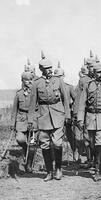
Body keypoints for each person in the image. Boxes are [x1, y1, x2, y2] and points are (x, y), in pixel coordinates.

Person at [28, 51, 71, 181]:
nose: (49, 70)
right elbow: (32, 103)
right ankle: (49, 172)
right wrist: (31, 120)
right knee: (45, 145)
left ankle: (58, 169)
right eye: (46, 69)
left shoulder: (58, 81)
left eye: (50, 68)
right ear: (41, 69)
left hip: (58, 115)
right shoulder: (36, 83)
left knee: (57, 143)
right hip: (43, 117)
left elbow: (66, 99)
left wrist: (67, 115)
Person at [11, 71, 35, 173]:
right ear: (22, 80)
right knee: (20, 139)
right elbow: (14, 110)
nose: (28, 82)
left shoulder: (35, 93)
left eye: (30, 79)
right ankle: (25, 148)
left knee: (33, 145)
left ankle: (28, 165)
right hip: (21, 120)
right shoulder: (19, 94)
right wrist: (13, 124)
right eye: (26, 80)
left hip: (33, 120)